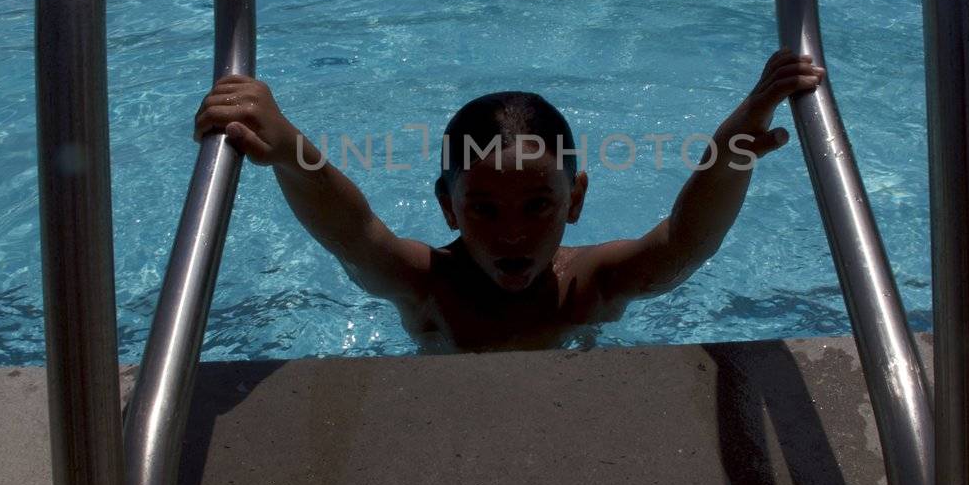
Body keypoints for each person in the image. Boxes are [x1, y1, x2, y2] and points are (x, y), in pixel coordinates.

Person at [193, 50, 824, 351]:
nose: (512, 234)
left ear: (575, 200)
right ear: (447, 208)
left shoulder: (592, 285)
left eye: (538, 205)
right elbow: (352, 230)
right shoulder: (428, 286)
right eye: (483, 209)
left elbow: (688, 239)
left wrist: (731, 148)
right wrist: (287, 149)